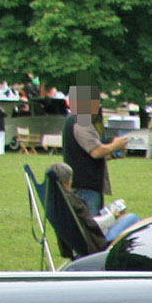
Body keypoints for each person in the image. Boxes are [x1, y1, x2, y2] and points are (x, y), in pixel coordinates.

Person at [63, 84, 125, 214]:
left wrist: (113, 153)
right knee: (91, 227)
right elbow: (96, 152)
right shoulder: (81, 122)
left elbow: (86, 153)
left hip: (84, 184)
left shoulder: (73, 120)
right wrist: (115, 145)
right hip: (85, 186)